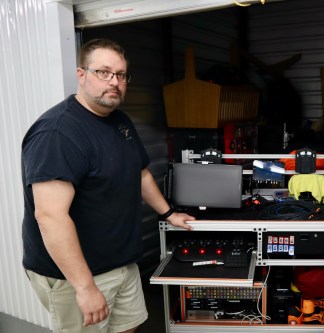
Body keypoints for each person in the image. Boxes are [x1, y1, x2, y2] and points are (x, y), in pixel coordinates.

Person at [21, 38, 194, 333]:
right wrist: (85, 288)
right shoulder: (59, 133)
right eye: (103, 72)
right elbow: (50, 216)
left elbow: (139, 174)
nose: (114, 82)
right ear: (81, 74)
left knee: (130, 327)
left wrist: (168, 214)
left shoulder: (119, 121)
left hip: (121, 263)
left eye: (121, 74)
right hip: (78, 274)